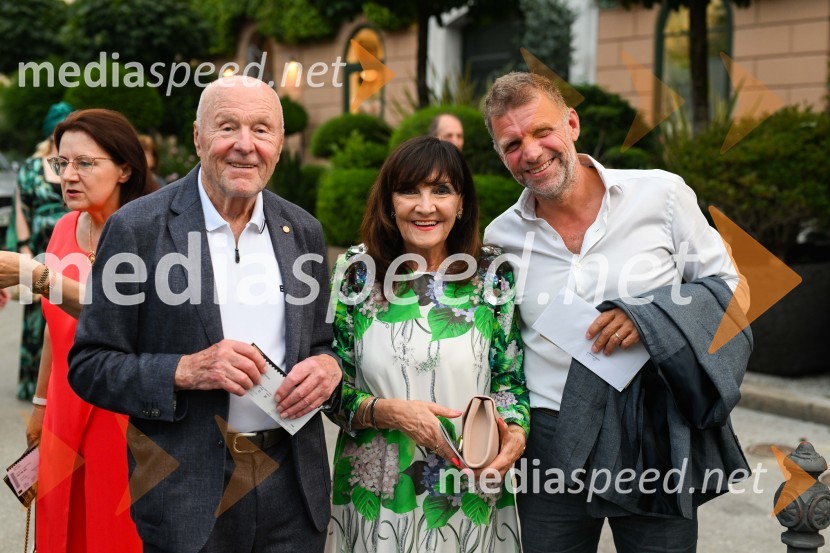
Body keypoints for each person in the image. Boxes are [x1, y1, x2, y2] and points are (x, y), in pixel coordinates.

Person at [67, 76, 343, 553]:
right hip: (185, 491)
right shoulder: (137, 230)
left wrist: (328, 365)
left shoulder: (302, 230)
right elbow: (90, 364)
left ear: (279, 143)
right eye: (227, 127)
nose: (245, 145)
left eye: (262, 129)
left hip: (293, 486)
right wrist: (185, 370)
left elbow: (320, 340)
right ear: (197, 136)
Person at [482, 72, 752, 553]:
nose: (531, 152)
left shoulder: (662, 196)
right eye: (512, 144)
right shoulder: (499, 238)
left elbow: (731, 290)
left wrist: (651, 320)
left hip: (649, 429)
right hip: (550, 437)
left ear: (571, 123)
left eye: (542, 131)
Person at [326, 136, 529, 553]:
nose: (425, 206)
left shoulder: (493, 273)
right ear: (389, 202)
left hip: (470, 482)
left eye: (441, 190)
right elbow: (329, 388)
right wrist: (390, 412)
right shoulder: (356, 271)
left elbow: (509, 380)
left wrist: (516, 435)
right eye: (408, 190)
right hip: (379, 489)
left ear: (461, 204)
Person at [28, 108, 159, 552]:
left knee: (113, 530)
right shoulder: (63, 229)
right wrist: (41, 403)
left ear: (125, 167)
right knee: (60, 526)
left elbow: (127, 318)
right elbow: (53, 325)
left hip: (122, 412)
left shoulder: (151, 235)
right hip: (64, 409)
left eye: (85, 163)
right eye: (61, 163)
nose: (69, 175)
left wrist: (34, 275)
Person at [11, 101, 72, 400]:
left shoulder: (74, 164)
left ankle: (59, 384)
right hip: (37, 251)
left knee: (65, 311)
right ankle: (33, 384)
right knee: (37, 316)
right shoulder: (32, 167)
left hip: (70, 251)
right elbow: (21, 210)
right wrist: (23, 248)